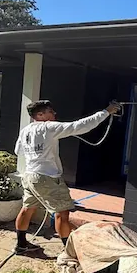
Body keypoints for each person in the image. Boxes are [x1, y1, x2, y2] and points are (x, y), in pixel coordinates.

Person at [14, 99, 121, 253]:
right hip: (47, 178)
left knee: (27, 208)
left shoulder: (25, 130)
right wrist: (107, 112)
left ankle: (21, 245)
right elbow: (80, 126)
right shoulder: (49, 127)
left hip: (30, 176)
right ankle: (70, 252)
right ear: (40, 115)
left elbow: (18, 151)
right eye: (50, 111)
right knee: (62, 213)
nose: (54, 113)